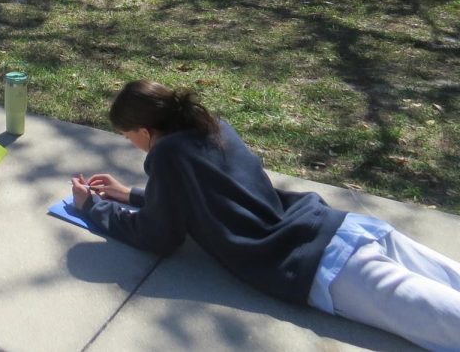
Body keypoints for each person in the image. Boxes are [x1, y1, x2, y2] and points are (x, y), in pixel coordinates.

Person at [71, 80, 460, 352]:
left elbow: (160, 236)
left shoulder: (168, 155)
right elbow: (207, 196)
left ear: (144, 129)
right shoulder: (211, 127)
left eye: (128, 136)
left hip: (327, 268)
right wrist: (131, 194)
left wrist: (94, 207)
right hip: (346, 229)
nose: (130, 143)